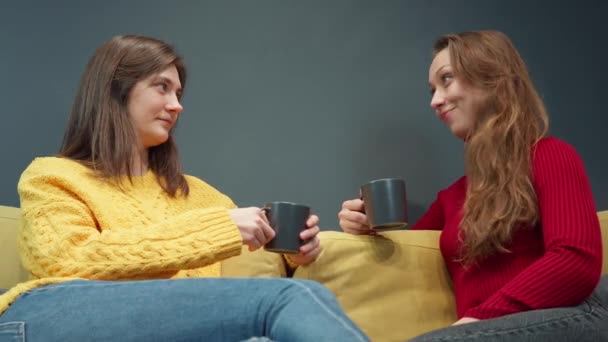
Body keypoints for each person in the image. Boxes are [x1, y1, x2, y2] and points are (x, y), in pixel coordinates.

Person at [0, 34, 369, 342]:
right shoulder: (52, 175)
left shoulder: (197, 194)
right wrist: (219, 229)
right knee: (293, 297)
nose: (176, 106)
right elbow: (65, 260)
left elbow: (247, 241)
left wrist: (295, 252)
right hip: (51, 314)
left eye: (179, 93)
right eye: (162, 87)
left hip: (153, 326)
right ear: (115, 91)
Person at [338, 30, 607, 341]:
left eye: (447, 79)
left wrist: (476, 320)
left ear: (490, 77)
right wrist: (365, 225)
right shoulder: (452, 197)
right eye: (431, 90)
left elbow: (575, 261)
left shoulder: (549, 155)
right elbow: (404, 251)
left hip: (572, 318)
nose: (435, 101)